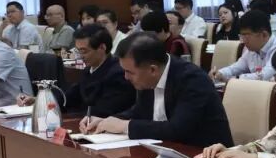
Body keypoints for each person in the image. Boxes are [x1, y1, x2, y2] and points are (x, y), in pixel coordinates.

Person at [82, 34, 233, 146]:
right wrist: (106, 121)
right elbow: (139, 112)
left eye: (129, 72)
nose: (126, 77)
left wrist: (125, 126)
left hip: (206, 156)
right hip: (167, 152)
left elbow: (177, 129)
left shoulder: (192, 80)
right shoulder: (147, 77)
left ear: (152, 70)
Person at [59, 26, 135, 119]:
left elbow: (102, 111)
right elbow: (69, 98)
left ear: (102, 48)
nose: (79, 56)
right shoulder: (88, 69)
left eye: (83, 51)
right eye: (77, 51)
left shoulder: (118, 74)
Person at [210, 9, 276, 82]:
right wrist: (220, 73)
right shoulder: (251, 49)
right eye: (241, 36)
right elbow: (236, 67)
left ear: (264, 34)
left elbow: (264, 76)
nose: (243, 41)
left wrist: (234, 79)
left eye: (246, 36)